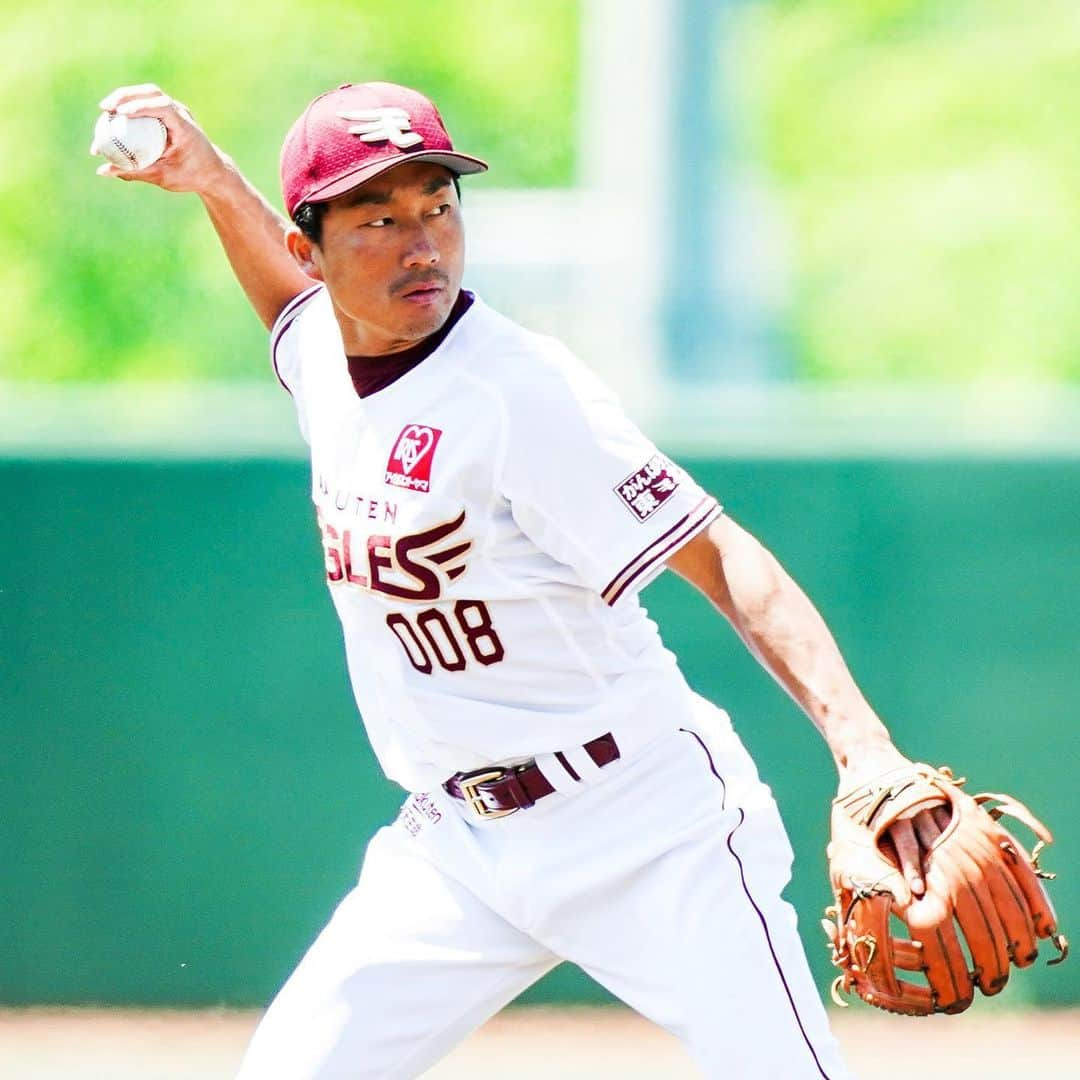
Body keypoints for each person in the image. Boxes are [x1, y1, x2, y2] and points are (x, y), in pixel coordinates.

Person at [95, 80, 947, 1079]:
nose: (422, 244)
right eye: (378, 218)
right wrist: (210, 181)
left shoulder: (523, 396)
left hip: (646, 824)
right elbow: (291, 313)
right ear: (309, 247)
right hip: (459, 843)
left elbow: (725, 558)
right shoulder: (328, 352)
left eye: (438, 208)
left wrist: (863, 746)